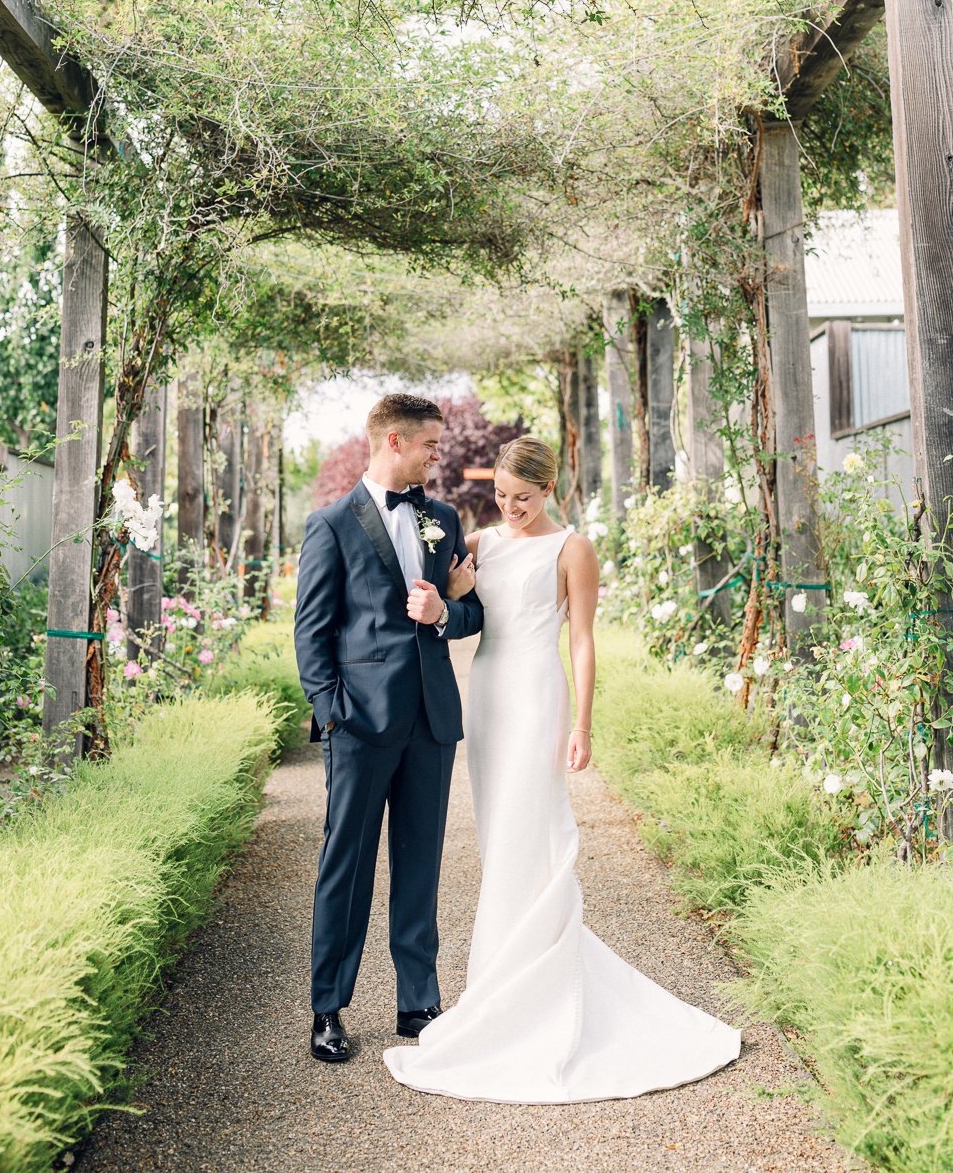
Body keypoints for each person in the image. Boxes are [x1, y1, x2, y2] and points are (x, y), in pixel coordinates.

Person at [384, 435, 741, 1102]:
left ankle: (533, 988)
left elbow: (580, 638)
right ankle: (500, 989)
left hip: (538, 696)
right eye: (502, 497)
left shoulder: (572, 548)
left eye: (524, 498)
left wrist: (582, 723)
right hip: (489, 696)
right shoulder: (485, 544)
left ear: (550, 490)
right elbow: (464, 615)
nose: (511, 508)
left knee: (534, 836)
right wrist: (455, 595)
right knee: (499, 841)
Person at [294, 393, 484, 1064]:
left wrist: (440, 613)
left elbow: (471, 615)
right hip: (359, 724)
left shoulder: (443, 519)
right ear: (395, 440)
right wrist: (332, 710)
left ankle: (418, 1001)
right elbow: (311, 632)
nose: (440, 455)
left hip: (430, 720)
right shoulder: (331, 525)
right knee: (344, 868)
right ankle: (328, 1008)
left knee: (420, 863)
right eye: (432, 445)